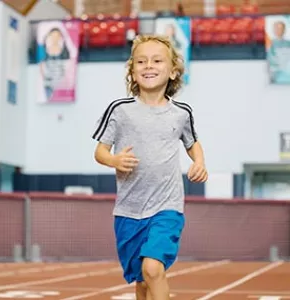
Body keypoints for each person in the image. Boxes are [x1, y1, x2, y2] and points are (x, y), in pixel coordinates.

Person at [92, 34, 208, 300]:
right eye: (141, 61)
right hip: (129, 211)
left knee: (153, 268)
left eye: (157, 60)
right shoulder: (119, 110)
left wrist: (199, 162)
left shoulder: (181, 113)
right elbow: (100, 151)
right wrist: (114, 160)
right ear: (132, 71)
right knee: (142, 280)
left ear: (173, 70)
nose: (149, 66)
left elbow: (193, 143)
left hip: (167, 207)